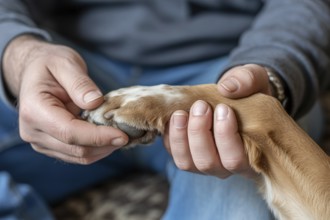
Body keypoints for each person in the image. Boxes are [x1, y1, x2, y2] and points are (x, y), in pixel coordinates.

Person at [0, 0, 329, 219]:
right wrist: (20, 52)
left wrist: (272, 73)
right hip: (66, 58)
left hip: (234, 65)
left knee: (234, 209)